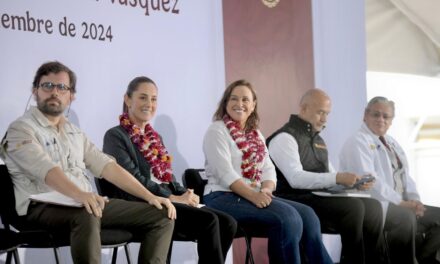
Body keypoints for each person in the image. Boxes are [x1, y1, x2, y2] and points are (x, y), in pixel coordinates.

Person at [0, 61, 176, 264]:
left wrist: (150, 196)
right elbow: (46, 169)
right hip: (40, 205)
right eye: (47, 86)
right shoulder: (21, 129)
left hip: (84, 203)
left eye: (62, 87)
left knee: (162, 214)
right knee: (87, 211)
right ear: (35, 91)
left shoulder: (74, 132)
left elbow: (107, 166)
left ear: (71, 95)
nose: (54, 92)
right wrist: (81, 195)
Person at [100, 76, 237, 264]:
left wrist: (185, 194)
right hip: (140, 203)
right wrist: (172, 198)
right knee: (209, 221)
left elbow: (166, 177)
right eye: (143, 97)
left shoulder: (155, 137)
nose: (149, 103)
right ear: (127, 99)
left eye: (154, 99)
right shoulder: (115, 136)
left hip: (168, 201)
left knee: (228, 223)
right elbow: (133, 178)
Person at [202, 80, 333, 264]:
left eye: (245, 100)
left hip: (252, 195)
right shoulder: (216, 131)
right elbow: (225, 174)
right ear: (225, 103)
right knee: (288, 217)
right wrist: (254, 196)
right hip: (222, 196)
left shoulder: (255, 134)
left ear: (253, 105)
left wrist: (266, 191)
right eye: (234, 99)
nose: (240, 104)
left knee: (308, 215)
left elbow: (268, 168)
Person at [266, 89, 385, 264]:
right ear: (304, 108)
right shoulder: (284, 138)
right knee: (354, 208)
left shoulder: (318, 140)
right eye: (320, 112)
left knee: (373, 206)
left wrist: (353, 184)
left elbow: (330, 175)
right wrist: (338, 178)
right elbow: (296, 179)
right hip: (293, 200)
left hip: (317, 198)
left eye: (327, 114)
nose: (324, 119)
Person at [339, 96, 440, 264]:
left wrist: (415, 201)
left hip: (401, 203)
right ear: (365, 115)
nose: (381, 119)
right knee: (405, 216)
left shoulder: (391, 143)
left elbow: (405, 175)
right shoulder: (357, 141)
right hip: (377, 207)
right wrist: (401, 203)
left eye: (386, 116)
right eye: (376, 114)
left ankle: (423, 260)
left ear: (391, 121)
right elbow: (370, 180)